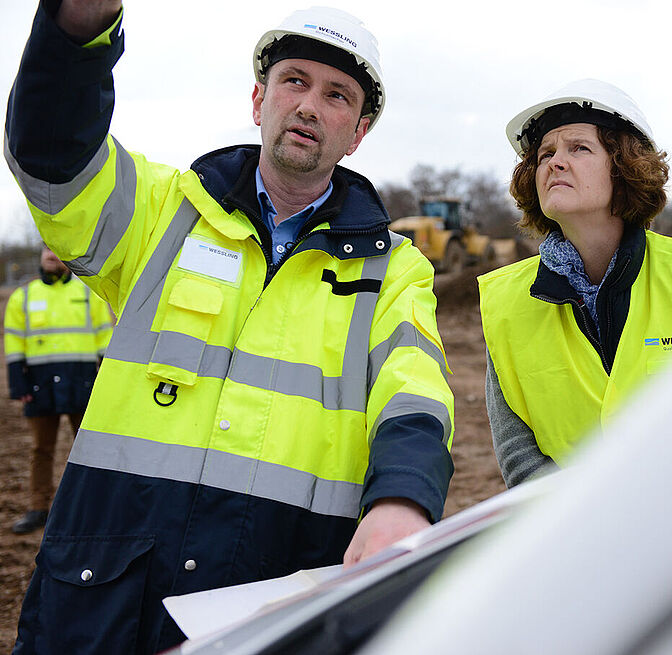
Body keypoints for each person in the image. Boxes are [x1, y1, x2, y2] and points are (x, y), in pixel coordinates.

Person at [4, 2, 454, 653]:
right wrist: (77, 33)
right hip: (106, 593)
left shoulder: (396, 270)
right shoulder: (159, 213)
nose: (307, 105)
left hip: (275, 594)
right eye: (294, 81)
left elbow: (414, 395)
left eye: (335, 96)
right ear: (257, 99)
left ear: (356, 133)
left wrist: (402, 501)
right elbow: (52, 153)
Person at [479, 79, 672, 488]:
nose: (555, 162)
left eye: (579, 147)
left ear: (624, 166)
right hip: (581, 538)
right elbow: (521, 458)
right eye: (545, 154)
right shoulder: (505, 304)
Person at [3, 247, 112, 535]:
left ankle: (95, 508)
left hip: (83, 382)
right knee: (41, 450)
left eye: (57, 249)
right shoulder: (22, 297)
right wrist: (18, 384)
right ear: (41, 254)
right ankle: (39, 508)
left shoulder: (90, 294)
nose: (52, 254)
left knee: (89, 450)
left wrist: (111, 379)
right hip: (39, 386)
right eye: (47, 249)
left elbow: (106, 337)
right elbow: (14, 344)